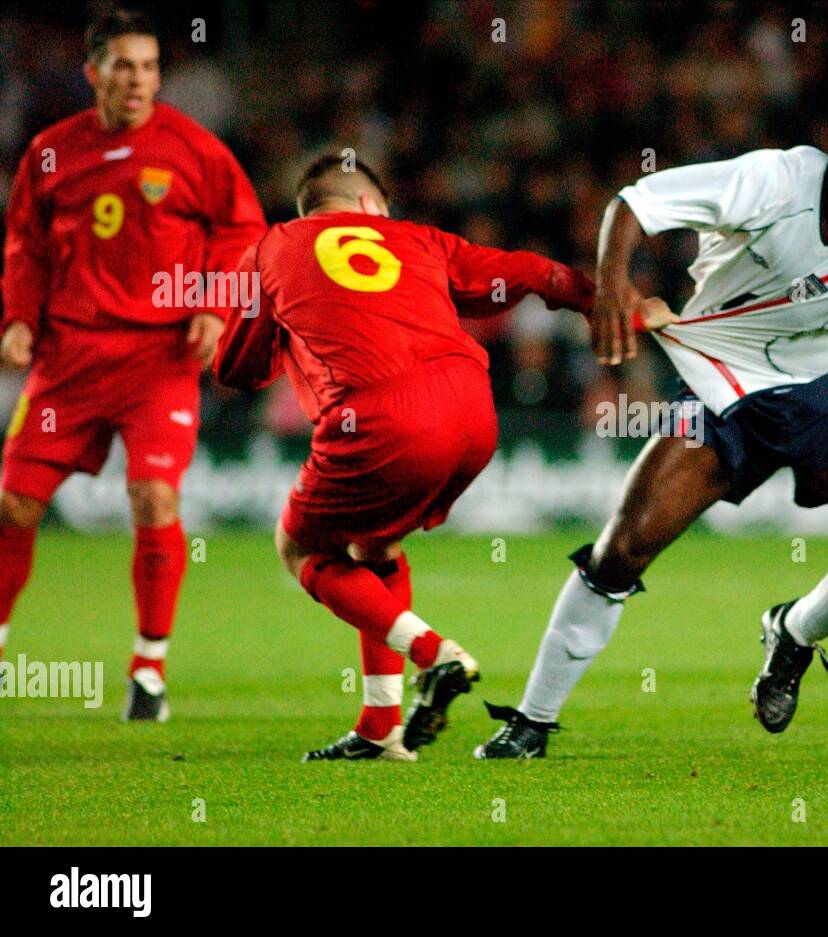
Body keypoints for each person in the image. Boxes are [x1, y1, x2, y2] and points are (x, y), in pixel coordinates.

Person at [474, 95, 828, 759]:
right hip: (728, 383)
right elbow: (631, 204)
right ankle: (532, 722)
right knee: (623, 547)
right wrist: (611, 282)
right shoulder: (770, 182)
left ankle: (795, 633)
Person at [213, 155, 594, 761]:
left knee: (302, 548)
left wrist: (281, 328)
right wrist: (594, 300)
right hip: (474, 410)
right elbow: (524, 272)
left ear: (311, 210)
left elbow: (234, 368)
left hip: (380, 420)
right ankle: (380, 729)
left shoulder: (273, 247)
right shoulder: (419, 238)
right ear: (370, 207)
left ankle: (436, 654)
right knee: (376, 546)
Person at [0, 10, 266, 719]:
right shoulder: (51, 153)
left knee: (154, 499)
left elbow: (243, 230)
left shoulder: (194, 148)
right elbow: (23, 242)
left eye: (150, 67)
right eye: (124, 66)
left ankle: (148, 668)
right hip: (69, 357)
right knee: (14, 504)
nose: (139, 80)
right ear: (93, 73)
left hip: (158, 358)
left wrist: (214, 301)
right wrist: (20, 318)